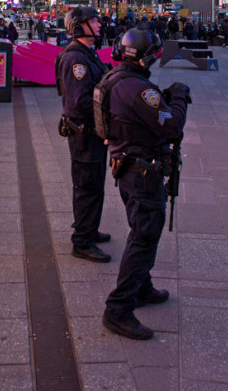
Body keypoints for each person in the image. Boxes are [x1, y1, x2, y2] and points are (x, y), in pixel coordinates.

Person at [99, 29, 189, 340]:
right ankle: (119, 308)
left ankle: (142, 287)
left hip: (126, 165)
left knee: (140, 229)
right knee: (144, 236)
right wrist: (177, 98)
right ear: (149, 55)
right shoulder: (138, 88)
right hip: (142, 172)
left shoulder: (116, 79)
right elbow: (172, 124)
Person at [55, 7, 111, 263]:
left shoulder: (87, 54)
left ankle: (89, 227)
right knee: (87, 186)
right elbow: (80, 102)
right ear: (78, 27)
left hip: (93, 132)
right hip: (84, 133)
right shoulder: (76, 59)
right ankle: (82, 241)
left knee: (94, 184)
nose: (99, 24)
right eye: (93, 21)